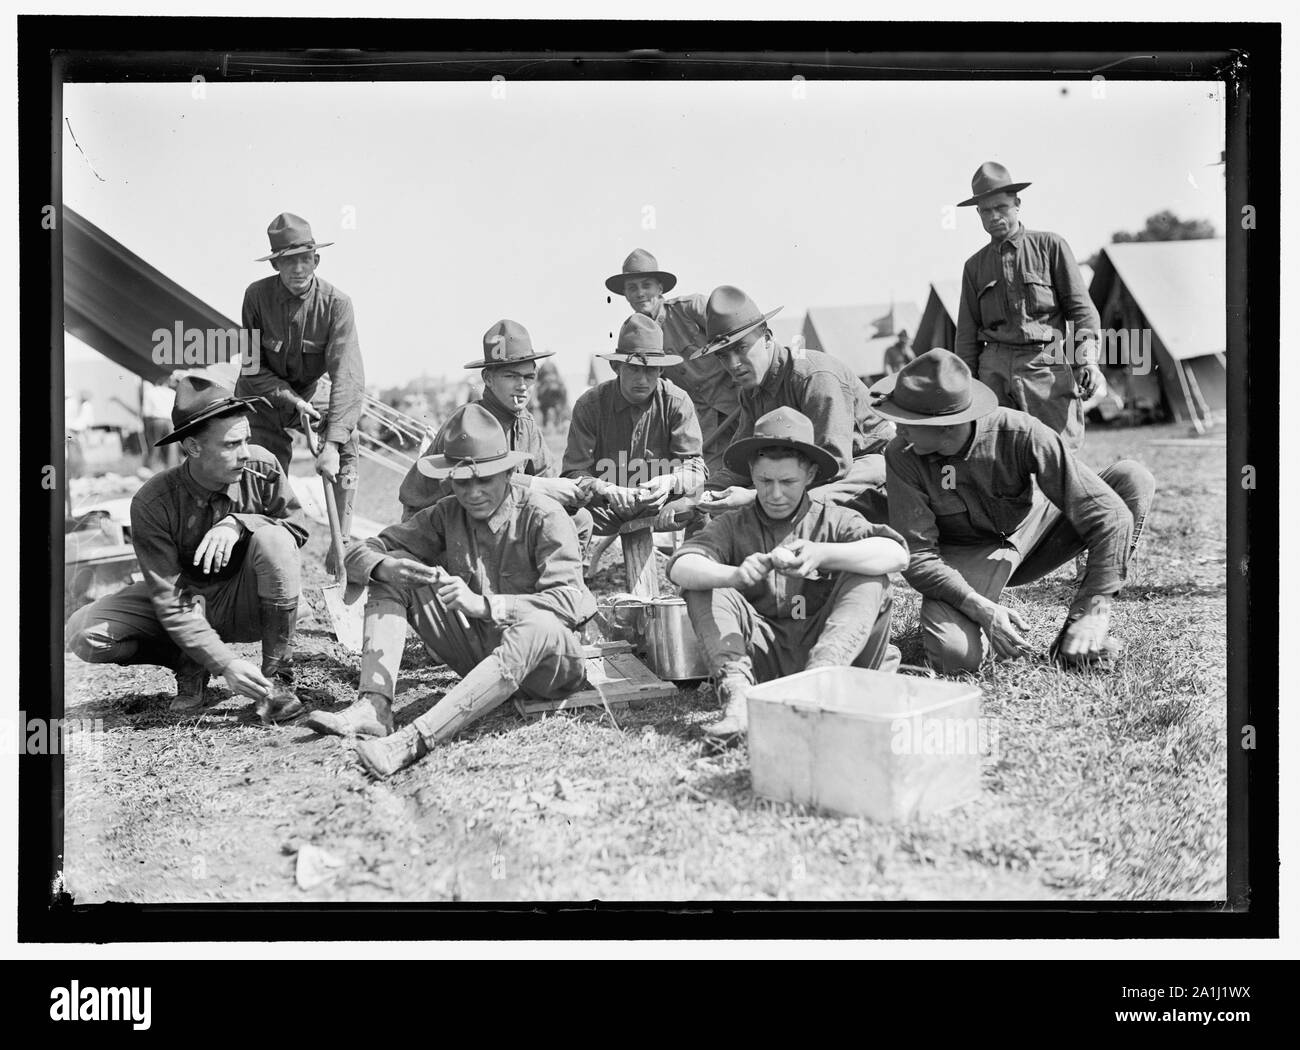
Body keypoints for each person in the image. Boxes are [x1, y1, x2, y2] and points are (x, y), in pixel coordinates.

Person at [307, 403, 597, 779]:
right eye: (462, 482)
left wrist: (485, 605)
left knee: (537, 627)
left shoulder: (544, 516)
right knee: (388, 572)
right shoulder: (446, 514)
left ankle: (412, 741)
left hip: (550, 667)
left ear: (509, 473)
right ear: (448, 481)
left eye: (485, 481)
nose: (473, 493)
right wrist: (385, 565)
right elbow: (362, 550)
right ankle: (375, 706)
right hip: (483, 655)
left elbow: (570, 602)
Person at [871, 349, 1154, 675]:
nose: (897, 428)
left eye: (909, 422)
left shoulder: (1020, 432)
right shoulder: (902, 455)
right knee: (955, 658)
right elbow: (918, 555)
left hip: (1034, 533)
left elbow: (1109, 514)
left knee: (1133, 479)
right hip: (966, 556)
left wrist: (1095, 608)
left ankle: (1074, 642)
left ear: (946, 425)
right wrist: (978, 607)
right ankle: (983, 623)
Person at [65, 375, 310, 724]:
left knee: (275, 539)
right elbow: (171, 599)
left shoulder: (261, 466)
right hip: (186, 600)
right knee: (83, 632)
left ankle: (277, 679)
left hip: (244, 599)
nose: (244, 454)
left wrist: (240, 523)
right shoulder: (153, 501)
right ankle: (188, 660)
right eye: (230, 445)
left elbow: (296, 528)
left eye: (246, 440)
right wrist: (224, 663)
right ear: (193, 447)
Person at [668, 407, 910, 749]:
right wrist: (734, 575)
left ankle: (819, 686)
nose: (775, 494)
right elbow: (681, 566)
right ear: (751, 473)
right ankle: (738, 698)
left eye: (788, 482)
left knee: (870, 578)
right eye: (765, 482)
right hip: (763, 660)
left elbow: (897, 555)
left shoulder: (836, 520)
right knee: (704, 585)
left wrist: (824, 553)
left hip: (836, 660)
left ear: (810, 475)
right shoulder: (734, 524)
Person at [698, 285, 896, 524]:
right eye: (723, 355)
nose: (734, 364)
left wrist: (755, 496)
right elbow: (741, 465)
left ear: (768, 338)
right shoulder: (751, 391)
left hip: (869, 463)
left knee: (810, 498)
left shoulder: (814, 376)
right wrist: (699, 497)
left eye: (741, 348)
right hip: (805, 471)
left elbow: (835, 465)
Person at [396, 320, 592, 549]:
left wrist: (576, 493)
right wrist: (537, 486)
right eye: (511, 376)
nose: (522, 386)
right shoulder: (468, 420)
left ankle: (564, 583)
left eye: (528, 377)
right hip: (437, 525)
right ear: (488, 378)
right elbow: (468, 481)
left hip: (488, 515)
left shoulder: (526, 423)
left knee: (579, 521)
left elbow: (547, 480)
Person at [954, 162, 1103, 451]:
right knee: (1000, 457)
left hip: (1045, 364)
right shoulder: (974, 267)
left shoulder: (1051, 246)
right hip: (994, 371)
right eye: (986, 211)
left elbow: (1082, 310)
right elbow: (966, 334)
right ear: (978, 214)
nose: (994, 216)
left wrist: (1088, 360)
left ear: (1017, 204)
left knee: (1058, 454)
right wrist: (970, 387)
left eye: (1002, 207)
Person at [236, 211, 365, 541]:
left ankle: (342, 544)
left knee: (348, 442)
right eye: (288, 261)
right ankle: (264, 542)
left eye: (305, 259)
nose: (297, 269)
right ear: (274, 265)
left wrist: (332, 445)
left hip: (309, 395)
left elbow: (348, 377)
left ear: (316, 260)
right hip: (260, 398)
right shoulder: (255, 297)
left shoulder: (337, 304)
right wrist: (290, 399)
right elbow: (251, 367)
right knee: (259, 470)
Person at [562, 313, 707, 537]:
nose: (642, 379)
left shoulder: (677, 401)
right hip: (606, 509)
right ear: (616, 367)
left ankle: (693, 564)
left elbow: (696, 468)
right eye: (633, 369)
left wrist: (670, 481)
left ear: (661, 370)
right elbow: (572, 473)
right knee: (562, 513)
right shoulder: (590, 405)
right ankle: (574, 572)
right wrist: (604, 488)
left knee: (702, 506)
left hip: (662, 507)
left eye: (650, 370)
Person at [606, 249, 739, 475]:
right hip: (704, 426)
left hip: (740, 408)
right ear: (625, 295)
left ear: (660, 288)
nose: (640, 293)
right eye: (632, 288)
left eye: (646, 285)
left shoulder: (691, 308)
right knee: (710, 485)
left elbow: (738, 334)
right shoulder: (634, 335)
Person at [141, 375, 178, 470]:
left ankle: (151, 470)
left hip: (156, 421)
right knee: (171, 449)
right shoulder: (172, 392)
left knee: (154, 447)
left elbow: (146, 412)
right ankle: (171, 470)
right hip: (170, 421)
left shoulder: (150, 392)